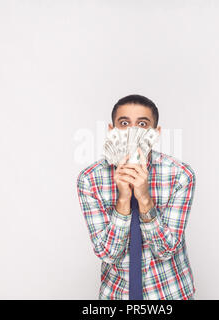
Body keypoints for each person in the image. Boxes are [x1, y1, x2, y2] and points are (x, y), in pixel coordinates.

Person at [76, 94, 196, 300]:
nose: (133, 132)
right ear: (111, 131)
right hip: (116, 295)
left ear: (155, 134)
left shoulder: (180, 175)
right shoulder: (90, 179)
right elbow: (108, 253)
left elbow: (167, 250)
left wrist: (144, 199)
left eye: (142, 124)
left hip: (170, 294)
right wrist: (123, 200)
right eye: (124, 123)